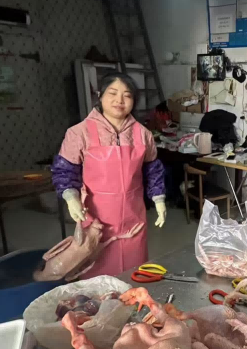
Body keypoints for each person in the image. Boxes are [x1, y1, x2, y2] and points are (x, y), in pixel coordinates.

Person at [52, 72, 166, 277]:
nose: (119, 100)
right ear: (100, 95)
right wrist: (71, 198)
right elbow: (65, 170)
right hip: (96, 218)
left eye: (127, 95)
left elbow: (152, 169)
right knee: (96, 274)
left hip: (133, 219)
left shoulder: (143, 134)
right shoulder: (79, 133)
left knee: (133, 274)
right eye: (113, 93)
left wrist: (158, 199)